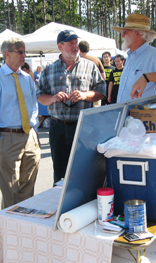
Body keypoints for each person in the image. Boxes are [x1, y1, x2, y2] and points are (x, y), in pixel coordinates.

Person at [37, 30, 105, 184]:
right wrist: (53, 98)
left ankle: (83, 204)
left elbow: (101, 92)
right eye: (71, 43)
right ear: (60, 46)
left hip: (84, 127)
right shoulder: (49, 69)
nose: (76, 47)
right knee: (60, 172)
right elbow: (39, 96)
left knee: (85, 170)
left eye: (76, 43)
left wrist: (85, 95)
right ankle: (61, 205)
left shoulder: (90, 66)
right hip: (58, 128)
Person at [0, 37, 41, 209]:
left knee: (28, 187)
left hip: (29, 136)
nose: (24, 56)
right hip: (7, 137)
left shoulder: (26, 78)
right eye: (20, 52)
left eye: (24, 52)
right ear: (7, 54)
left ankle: (24, 226)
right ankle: (9, 231)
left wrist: (33, 129)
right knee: (10, 189)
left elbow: (33, 106)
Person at [112, 13, 156, 103]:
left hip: (143, 116)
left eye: (125, 32)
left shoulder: (154, 56)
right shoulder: (130, 57)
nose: (122, 36)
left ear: (137, 34)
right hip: (126, 115)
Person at [78, 40, 105, 107]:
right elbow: (103, 77)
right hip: (95, 93)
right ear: (88, 49)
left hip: (80, 94)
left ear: (79, 49)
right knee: (95, 113)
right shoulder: (96, 60)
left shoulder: (76, 61)